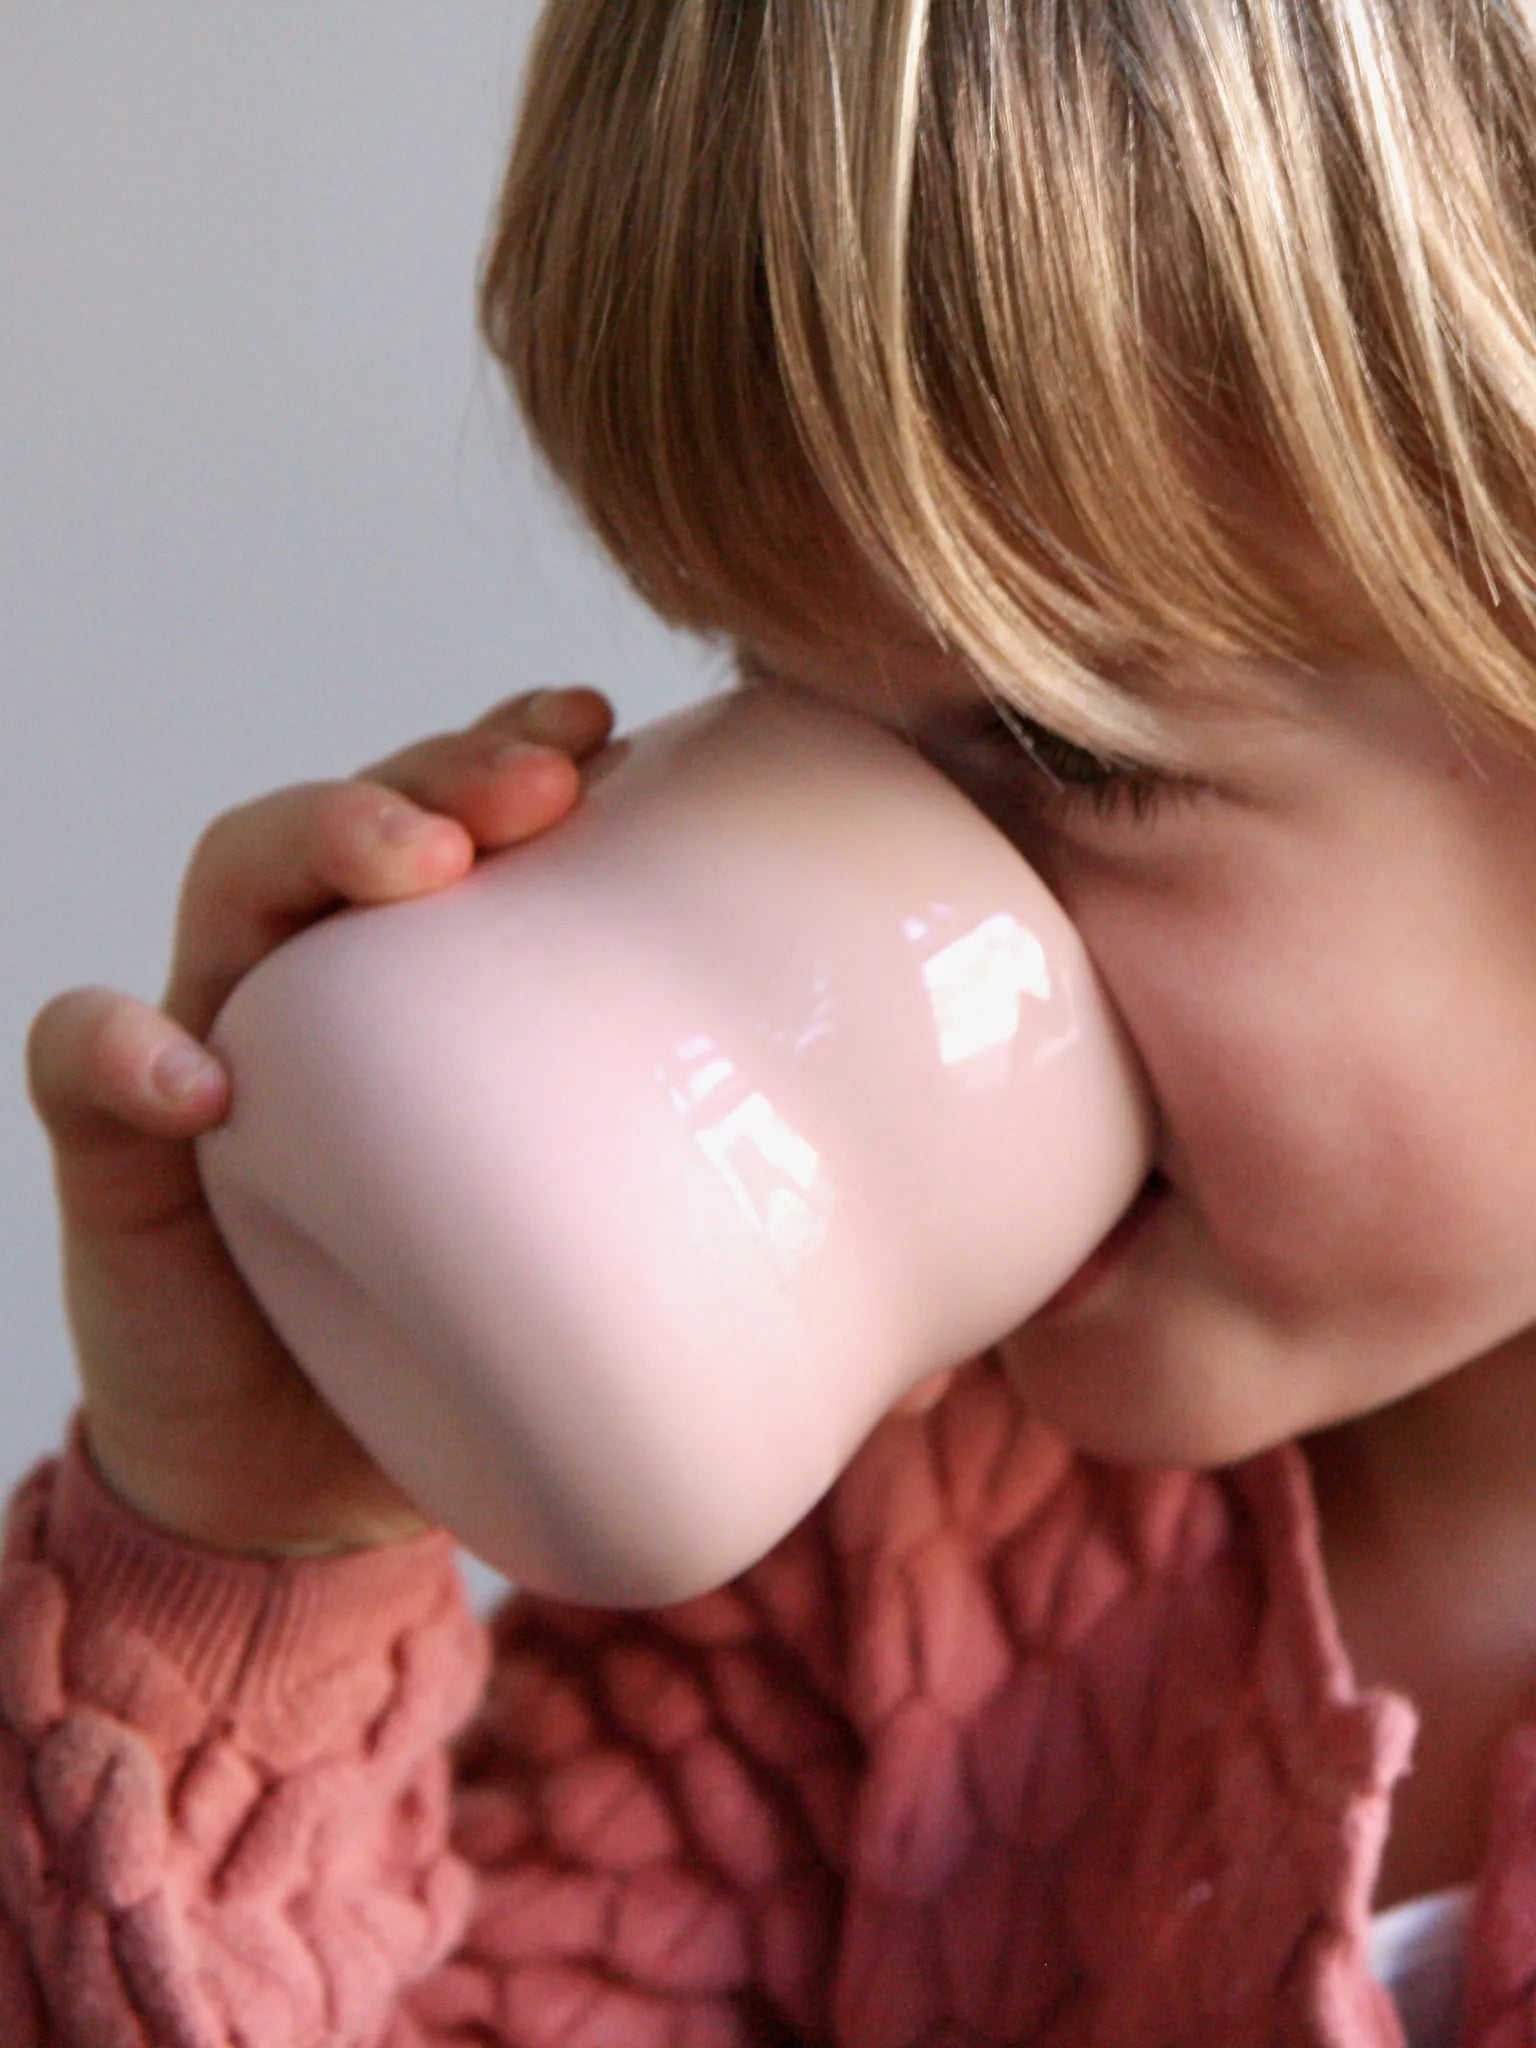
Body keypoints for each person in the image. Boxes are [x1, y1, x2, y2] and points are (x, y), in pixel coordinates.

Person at [8, 0, 1536, 2041]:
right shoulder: (864, 1578)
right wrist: (257, 1547)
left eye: (1050, 746)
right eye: (762, 686)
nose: (856, 847)